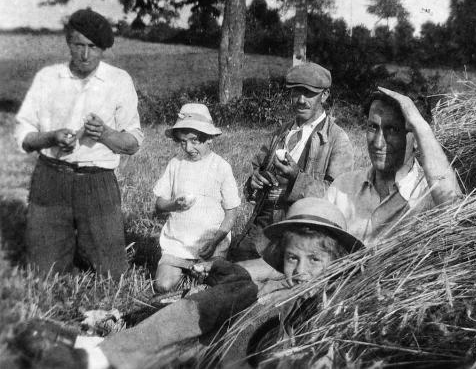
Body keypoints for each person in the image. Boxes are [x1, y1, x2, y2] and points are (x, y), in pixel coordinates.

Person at [12, 198, 364, 369]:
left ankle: (93, 353)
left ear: (336, 263)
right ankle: (89, 349)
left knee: (198, 325)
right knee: (204, 311)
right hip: (213, 339)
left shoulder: (333, 304)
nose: (301, 269)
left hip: (234, 355)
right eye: (292, 257)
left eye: (315, 260)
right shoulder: (279, 286)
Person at [14, 9, 143, 276]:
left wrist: (105, 134)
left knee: (112, 274)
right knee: (43, 274)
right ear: (68, 43)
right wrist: (51, 137)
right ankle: (63, 245)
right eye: (78, 45)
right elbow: (24, 138)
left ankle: (84, 244)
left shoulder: (119, 80)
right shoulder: (48, 78)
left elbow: (133, 143)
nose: (85, 55)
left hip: (97, 183)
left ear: (104, 49)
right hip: (51, 178)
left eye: (93, 47)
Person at [230, 62, 354, 262]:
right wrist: (253, 182)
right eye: (296, 93)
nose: (301, 100)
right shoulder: (281, 133)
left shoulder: (337, 139)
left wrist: (297, 177)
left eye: (309, 94)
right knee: (231, 264)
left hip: (300, 232)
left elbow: (337, 198)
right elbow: (255, 173)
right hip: (263, 225)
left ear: (325, 95)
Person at [326, 87, 462, 246]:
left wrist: (420, 124)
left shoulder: (429, 197)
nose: (378, 143)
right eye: (373, 127)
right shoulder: (342, 187)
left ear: (417, 137)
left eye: (393, 130)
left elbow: (456, 215)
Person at [153, 103, 241, 292]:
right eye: (183, 142)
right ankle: (180, 268)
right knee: (163, 285)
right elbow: (159, 204)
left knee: (214, 289)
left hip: (211, 245)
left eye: (194, 141)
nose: (189, 147)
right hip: (177, 244)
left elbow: (231, 213)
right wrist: (173, 205)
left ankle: (205, 270)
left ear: (209, 139)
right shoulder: (176, 164)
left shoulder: (221, 167)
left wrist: (215, 242)